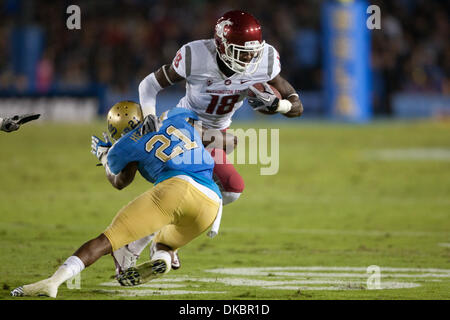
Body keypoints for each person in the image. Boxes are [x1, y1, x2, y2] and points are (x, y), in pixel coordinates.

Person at [125, 9, 304, 270]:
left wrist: (279, 106)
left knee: (231, 190)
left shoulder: (264, 60)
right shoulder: (195, 56)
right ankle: (145, 245)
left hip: (215, 133)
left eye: (252, 51)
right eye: (241, 51)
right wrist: (149, 117)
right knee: (201, 187)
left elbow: (296, 106)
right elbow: (148, 85)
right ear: (221, 44)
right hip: (184, 124)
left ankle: (160, 241)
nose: (249, 58)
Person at [10, 101, 223, 297]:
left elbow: (120, 182)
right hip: (211, 201)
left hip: (175, 189)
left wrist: (104, 157)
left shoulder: (125, 145)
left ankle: (53, 282)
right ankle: (163, 259)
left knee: (107, 241)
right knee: (165, 243)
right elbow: (207, 137)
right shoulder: (176, 116)